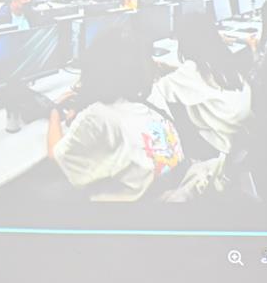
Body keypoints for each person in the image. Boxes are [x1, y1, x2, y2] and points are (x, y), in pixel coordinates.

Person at [47, 27, 184, 201]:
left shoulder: (99, 115)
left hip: (129, 208)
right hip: (165, 191)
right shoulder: (152, 95)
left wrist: (54, 111)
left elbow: (55, 155)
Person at [153, 14, 252, 157]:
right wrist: (173, 70)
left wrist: (152, 72)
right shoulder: (222, 58)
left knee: (167, 109)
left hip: (220, 142)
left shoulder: (191, 71)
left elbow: (155, 91)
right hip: (239, 130)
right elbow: (200, 78)